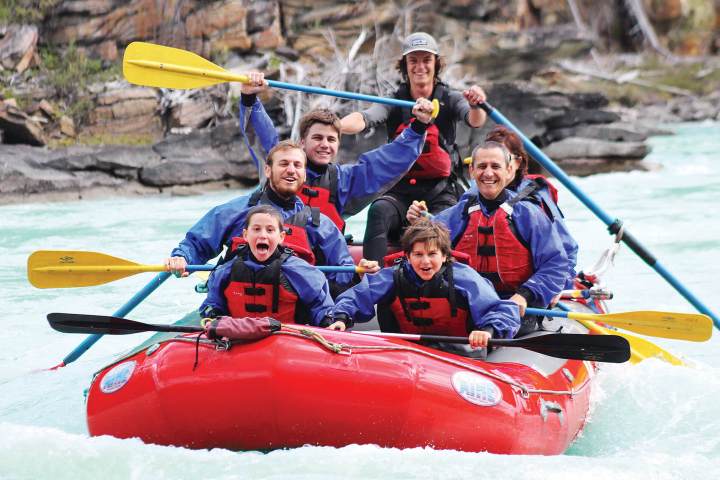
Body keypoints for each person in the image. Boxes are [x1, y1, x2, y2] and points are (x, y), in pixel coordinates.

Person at [338, 32, 489, 263]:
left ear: (435, 64)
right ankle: (371, 283)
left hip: (440, 192)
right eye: (413, 61)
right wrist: (335, 126)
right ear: (405, 66)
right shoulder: (394, 100)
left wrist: (477, 104)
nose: (420, 66)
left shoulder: (450, 97)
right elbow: (365, 118)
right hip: (398, 191)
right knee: (378, 211)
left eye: (426, 60)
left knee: (442, 225)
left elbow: (475, 119)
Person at [165, 140, 379, 296]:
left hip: (294, 319)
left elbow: (341, 274)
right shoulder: (235, 211)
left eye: (297, 165)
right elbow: (196, 243)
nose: (291, 170)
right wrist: (182, 258)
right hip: (236, 313)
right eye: (284, 164)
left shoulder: (321, 225)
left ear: (304, 175)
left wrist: (357, 275)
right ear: (268, 170)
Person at [407, 140, 569, 335]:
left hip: (515, 307)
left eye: (495, 166)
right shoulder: (457, 215)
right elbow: (422, 247)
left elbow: (556, 264)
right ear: (471, 171)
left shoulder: (529, 214)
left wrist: (525, 295)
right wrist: (417, 223)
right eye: (482, 166)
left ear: (509, 170)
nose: (488, 173)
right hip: (469, 306)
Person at [238, 74, 435, 233]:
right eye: (317, 138)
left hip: (318, 265)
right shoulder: (281, 164)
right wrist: (249, 97)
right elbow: (262, 134)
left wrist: (418, 126)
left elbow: (388, 161)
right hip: (274, 261)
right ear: (302, 142)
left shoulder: (343, 182)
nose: (325, 145)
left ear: (338, 145)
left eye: (331, 139)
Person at [332, 219, 519, 350]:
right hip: (408, 351)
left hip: (461, 352)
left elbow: (500, 309)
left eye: (432, 254)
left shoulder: (465, 278)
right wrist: (341, 317)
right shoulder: (393, 276)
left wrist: (487, 330)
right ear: (407, 256)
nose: (425, 262)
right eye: (418, 255)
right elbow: (357, 296)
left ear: (445, 256)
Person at [463, 126, 578, 290]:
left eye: (500, 160)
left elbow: (566, 249)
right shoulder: (471, 198)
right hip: (482, 291)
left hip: (531, 288)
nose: (489, 172)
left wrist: (558, 284)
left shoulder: (536, 198)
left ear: (516, 162)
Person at [200, 205, 345, 329]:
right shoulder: (225, 271)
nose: (263, 235)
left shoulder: (300, 271)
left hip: (287, 343)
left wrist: (329, 321)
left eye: (270, 230)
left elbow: (320, 307)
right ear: (245, 234)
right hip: (238, 342)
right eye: (256, 229)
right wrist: (211, 315)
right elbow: (213, 303)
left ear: (281, 237)